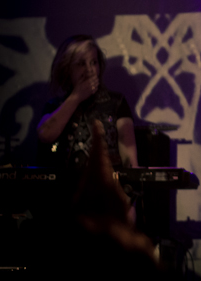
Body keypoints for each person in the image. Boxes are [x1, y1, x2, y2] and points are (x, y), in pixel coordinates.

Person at [37, 34, 138, 175]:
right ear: (67, 68)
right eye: (81, 64)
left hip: (106, 185)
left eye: (93, 62)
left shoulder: (117, 102)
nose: (89, 70)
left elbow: (129, 159)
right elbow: (45, 135)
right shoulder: (55, 105)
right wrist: (76, 97)